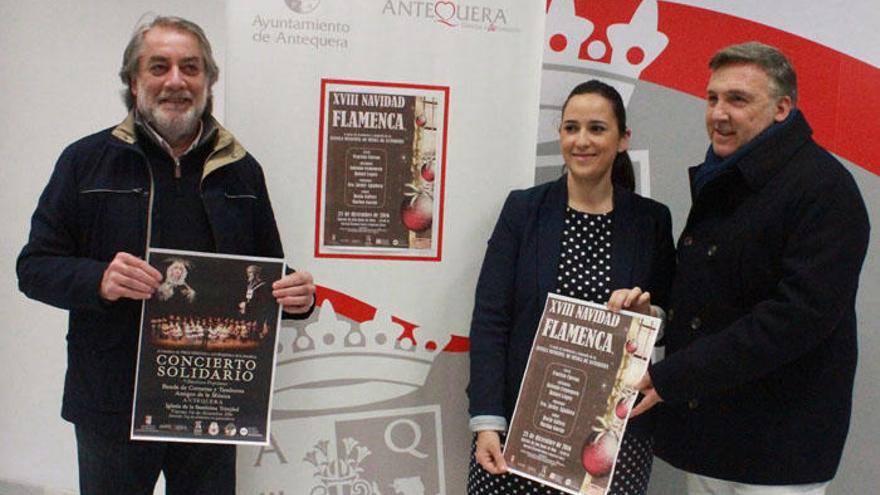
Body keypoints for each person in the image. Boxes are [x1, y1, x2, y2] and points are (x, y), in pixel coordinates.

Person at [16, 15, 316, 495]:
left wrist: (299, 297)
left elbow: (269, 275)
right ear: (134, 82)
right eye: (159, 67)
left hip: (211, 405)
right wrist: (99, 280)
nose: (175, 81)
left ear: (208, 81)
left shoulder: (242, 171)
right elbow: (33, 268)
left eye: (190, 68)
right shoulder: (84, 161)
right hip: (110, 402)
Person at [628, 42, 870, 494]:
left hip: (779, 448)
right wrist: (653, 315)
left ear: (782, 108)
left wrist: (675, 376)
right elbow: (707, 293)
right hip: (710, 435)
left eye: (738, 100)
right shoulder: (724, 175)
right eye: (713, 98)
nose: (719, 113)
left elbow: (796, 318)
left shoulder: (825, 189)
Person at [467, 80, 675, 495]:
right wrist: (487, 421)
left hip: (613, 438)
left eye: (597, 128)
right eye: (570, 128)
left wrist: (648, 315)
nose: (582, 141)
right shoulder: (523, 211)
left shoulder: (651, 220)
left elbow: (670, 313)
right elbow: (491, 319)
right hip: (525, 431)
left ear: (622, 139)